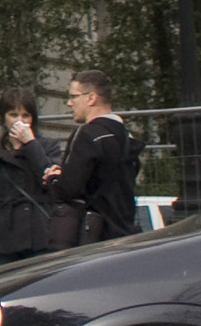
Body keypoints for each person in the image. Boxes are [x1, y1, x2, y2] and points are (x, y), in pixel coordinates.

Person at [44, 68, 140, 246]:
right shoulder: (126, 136)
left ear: (91, 98)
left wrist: (53, 179)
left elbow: (69, 188)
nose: (69, 103)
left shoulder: (87, 135)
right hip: (124, 231)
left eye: (74, 96)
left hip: (94, 235)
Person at [0, 91, 58, 268]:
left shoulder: (48, 147)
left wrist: (30, 145)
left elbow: (52, 180)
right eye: (13, 115)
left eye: (26, 115)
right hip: (6, 241)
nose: (20, 121)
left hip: (41, 236)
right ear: (3, 118)